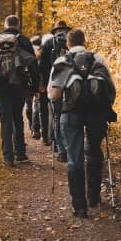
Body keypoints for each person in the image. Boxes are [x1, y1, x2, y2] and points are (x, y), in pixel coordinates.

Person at [47, 28, 116, 219]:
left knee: (74, 158)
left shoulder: (62, 61)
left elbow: (53, 94)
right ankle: (93, 197)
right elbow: (111, 88)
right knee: (94, 151)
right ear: (85, 41)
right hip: (96, 115)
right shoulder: (98, 59)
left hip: (72, 115)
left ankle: (79, 207)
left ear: (67, 44)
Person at [0, 15, 39, 166]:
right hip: (19, 86)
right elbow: (33, 65)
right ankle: (20, 153)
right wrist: (34, 87)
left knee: (5, 121)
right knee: (18, 119)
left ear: (5, 24)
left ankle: (8, 157)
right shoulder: (24, 40)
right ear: (18, 25)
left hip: (1, 86)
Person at [40, 21, 72, 161]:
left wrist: (42, 84)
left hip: (54, 84)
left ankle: (61, 150)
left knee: (57, 116)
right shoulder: (71, 41)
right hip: (72, 84)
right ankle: (71, 146)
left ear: (55, 31)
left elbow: (42, 66)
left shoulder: (48, 43)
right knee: (70, 115)